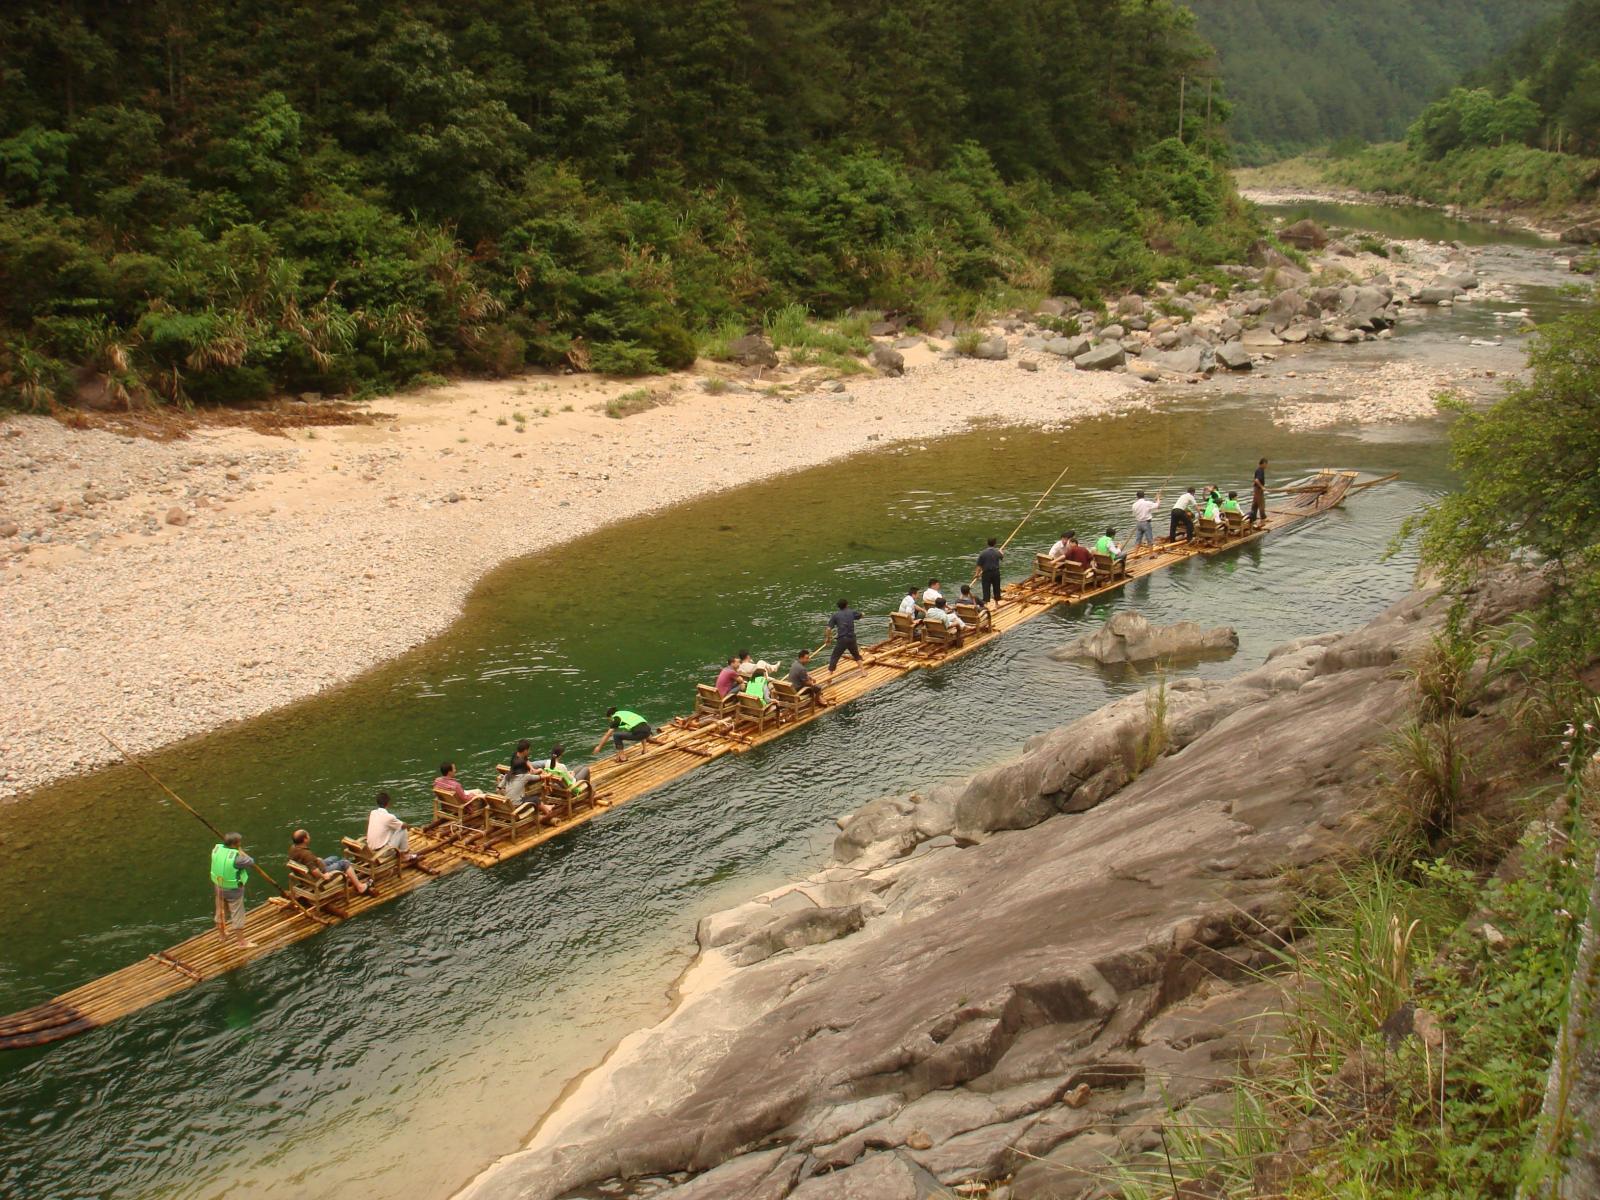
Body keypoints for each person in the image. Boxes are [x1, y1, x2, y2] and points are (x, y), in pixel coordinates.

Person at [210, 831, 258, 949]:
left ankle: (222, 936)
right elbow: (251, 861)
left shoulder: (216, 850)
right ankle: (242, 943)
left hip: (218, 886)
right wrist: (239, 850)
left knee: (220, 911)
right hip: (233, 890)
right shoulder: (237, 859)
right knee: (237, 914)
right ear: (236, 843)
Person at [289, 828, 370, 896]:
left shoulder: (293, 849)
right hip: (319, 876)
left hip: (311, 871)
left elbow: (308, 863)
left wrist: (317, 860)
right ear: (305, 839)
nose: (309, 836)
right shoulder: (306, 854)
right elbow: (314, 871)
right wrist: (324, 876)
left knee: (333, 858)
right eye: (308, 835)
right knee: (345, 863)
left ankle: (348, 873)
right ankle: (360, 887)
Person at [367, 791, 423, 866]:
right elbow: (403, 825)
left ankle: (402, 852)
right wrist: (410, 826)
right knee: (403, 829)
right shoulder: (389, 817)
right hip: (382, 853)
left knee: (393, 828)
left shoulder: (372, 813)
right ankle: (404, 855)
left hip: (370, 850)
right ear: (388, 803)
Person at [541, 744, 592, 809]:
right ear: (560, 755)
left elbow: (557, 773)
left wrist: (568, 773)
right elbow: (571, 780)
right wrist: (572, 774)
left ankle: (575, 773)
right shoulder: (562, 766)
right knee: (586, 769)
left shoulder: (547, 763)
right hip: (568, 787)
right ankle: (588, 789)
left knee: (580, 767)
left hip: (556, 787)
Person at [826, 598, 867, 674]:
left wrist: (828, 639)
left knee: (835, 657)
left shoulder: (835, 615)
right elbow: (861, 615)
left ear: (838, 607)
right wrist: (863, 614)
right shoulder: (851, 612)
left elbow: (828, 629)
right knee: (856, 655)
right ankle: (863, 671)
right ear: (847, 605)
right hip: (851, 638)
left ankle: (829, 676)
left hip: (842, 640)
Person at [1130, 489, 1160, 553]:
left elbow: (1134, 514)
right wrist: (1158, 498)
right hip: (1146, 523)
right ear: (1144, 496)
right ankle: (1151, 554)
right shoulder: (1147, 503)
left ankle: (1135, 554)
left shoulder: (1134, 505)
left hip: (1138, 523)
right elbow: (1157, 505)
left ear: (1137, 496)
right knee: (1149, 539)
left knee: (1138, 540)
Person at [976, 538, 1004, 605]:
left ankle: (986, 603)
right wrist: (1002, 553)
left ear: (987, 543)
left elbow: (979, 565)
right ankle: (996, 603)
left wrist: (977, 574)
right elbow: (1002, 557)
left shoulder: (983, 553)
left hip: (986, 573)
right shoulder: (997, 552)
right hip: (995, 572)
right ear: (995, 543)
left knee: (986, 588)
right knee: (996, 587)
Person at [1250, 458, 1268, 526]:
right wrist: (1262, 487)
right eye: (1266, 464)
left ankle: (1252, 518)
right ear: (1263, 463)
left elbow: (1254, 480)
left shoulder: (1258, 470)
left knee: (1255, 504)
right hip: (1258, 490)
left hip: (1256, 489)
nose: (1266, 466)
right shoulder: (1260, 470)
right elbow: (1257, 480)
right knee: (1261, 504)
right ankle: (1262, 520)